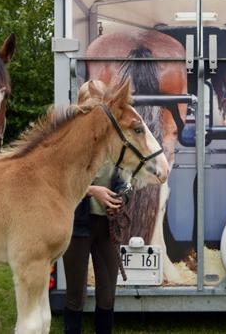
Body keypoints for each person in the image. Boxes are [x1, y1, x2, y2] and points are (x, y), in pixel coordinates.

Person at [62, 80, 131, 334]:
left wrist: (123, 197)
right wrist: (93, 191)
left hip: (107, 228)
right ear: (81, 106)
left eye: (100, 104)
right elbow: (62, 183)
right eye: (90, 105)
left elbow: (125, 178)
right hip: (78, 227)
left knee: (107, 295)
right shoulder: (69, 140)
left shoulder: (114, 140)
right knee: (75, 296)